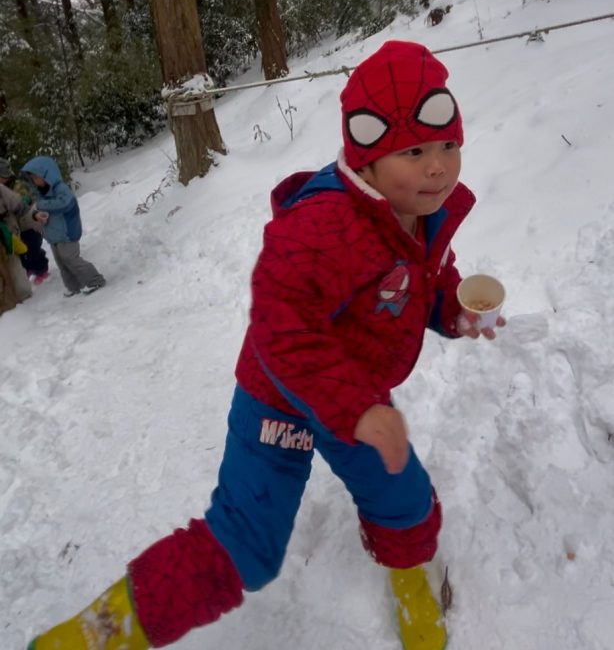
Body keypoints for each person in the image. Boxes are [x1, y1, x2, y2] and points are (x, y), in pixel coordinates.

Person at [28, 41, 504, 650]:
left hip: (354, 396)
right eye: (414, 151)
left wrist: (453, 310)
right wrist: (358, 411)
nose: (438, 166)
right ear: (368, 156)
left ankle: (411, 583)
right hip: (279, 397)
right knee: (245, 544)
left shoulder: (420, 210)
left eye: (447, 146)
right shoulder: (324, 225)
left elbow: (423, 284)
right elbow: (284, 327)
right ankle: (97, 634)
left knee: (404, 496)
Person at [21, 156, 105, 297]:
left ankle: (95, 280)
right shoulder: (39, 193)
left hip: (67, 233)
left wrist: (42, 206)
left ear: (46, 174)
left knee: (71, 259)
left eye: (37, 177)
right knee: (62, 263)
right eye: (32, 178)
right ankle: (73, 286)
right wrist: (36, 215)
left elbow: (64, 204)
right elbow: (35, 210)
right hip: (53, 235)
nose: (35, 181)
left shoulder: (61, 189)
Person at [0, 160, 45, 305]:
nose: (3, 179)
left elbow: (22, 205)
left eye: (4, 176)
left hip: (21, 227)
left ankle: (39, 270)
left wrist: (33, 215)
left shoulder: (14, 187)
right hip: (15, 227)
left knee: (30, 250)